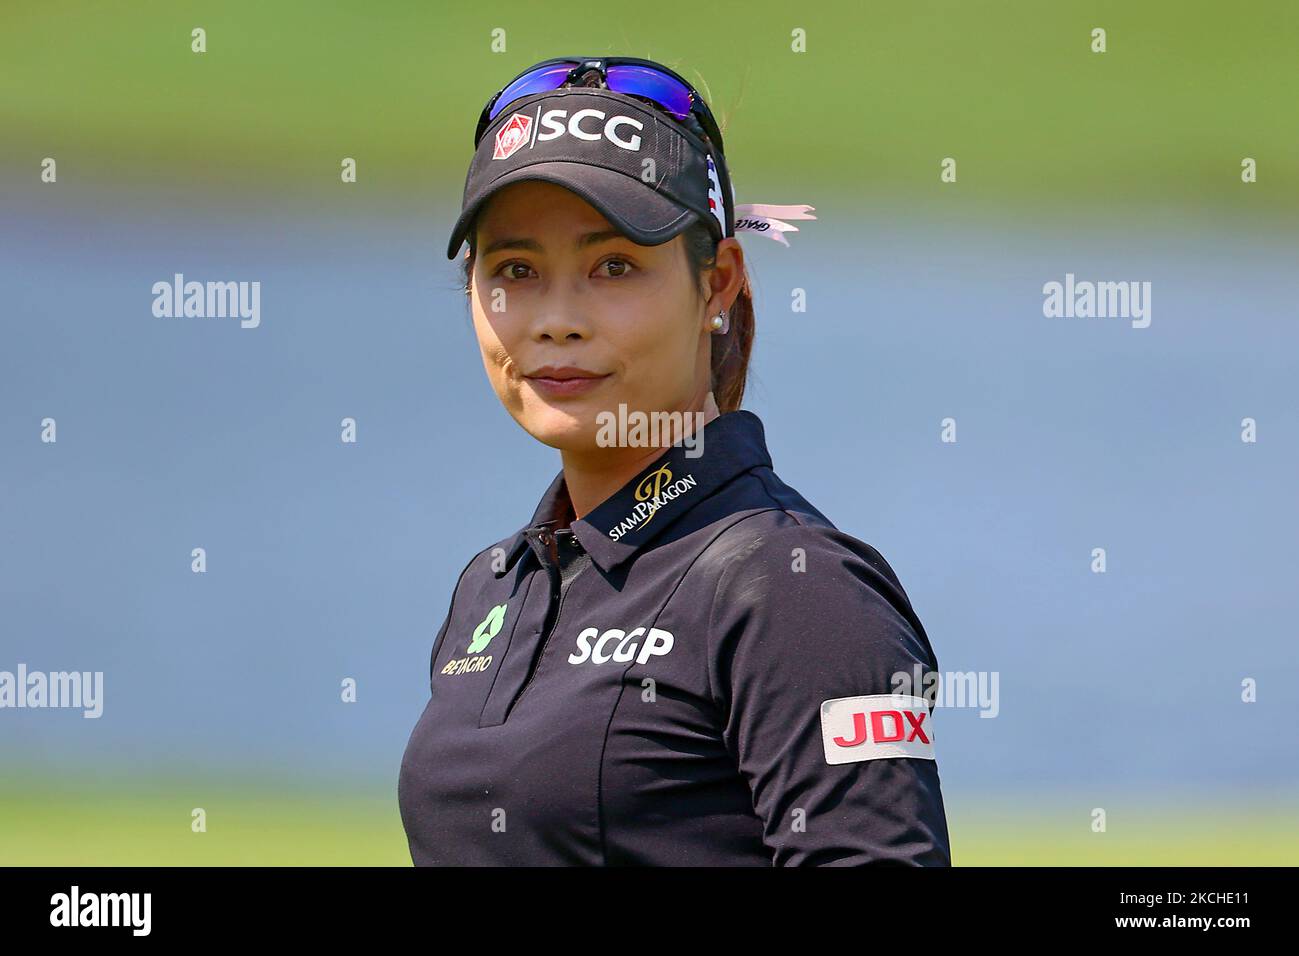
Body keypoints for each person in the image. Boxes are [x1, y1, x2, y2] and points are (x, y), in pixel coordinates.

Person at [398, 55, 951, 865]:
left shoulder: (795, 589)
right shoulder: (493, 586)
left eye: (613, 266)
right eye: (516, 270)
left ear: (718, 284)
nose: (556, 319)